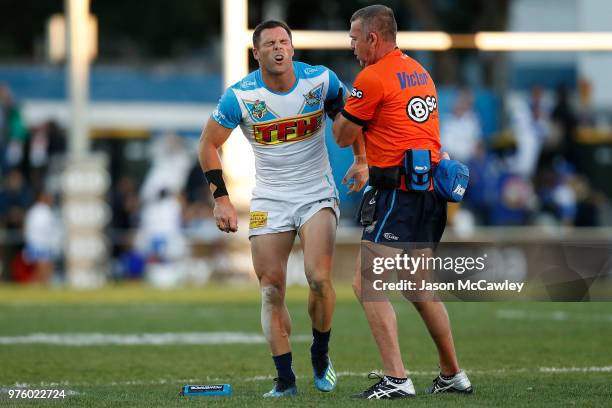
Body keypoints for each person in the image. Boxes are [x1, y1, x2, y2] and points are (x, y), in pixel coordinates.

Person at [199, 20, 366, 398]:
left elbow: (353, 119)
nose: (279, 48)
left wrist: (361, 159)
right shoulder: (239, 96)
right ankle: (285, 380)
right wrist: (221, 197)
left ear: (292, 48)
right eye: (270, 44)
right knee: (271, 288)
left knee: (318, 277)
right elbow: (207, 144)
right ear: (256, 53)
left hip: (315, 193)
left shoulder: (321, 81)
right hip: (270, 198)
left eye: (284, 42)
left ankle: (320, 355)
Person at [332, 5, 473, 399]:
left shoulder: (372, 77)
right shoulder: (419, 72)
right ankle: (452, 374)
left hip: (399, 194)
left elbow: (343, 135)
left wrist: (341, 105)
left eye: (354, 37)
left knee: (367, 284)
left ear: (373, 39)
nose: (352, 44)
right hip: (430, 192)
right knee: (419, 287)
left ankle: (396, 379)